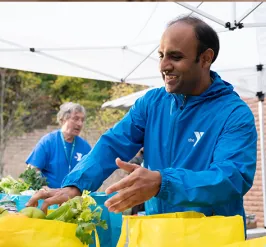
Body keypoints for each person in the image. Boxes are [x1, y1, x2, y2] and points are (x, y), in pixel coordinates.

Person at [27, 15, 257, 232]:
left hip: (213, 238)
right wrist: (75, 185)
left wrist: (163, 182)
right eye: (161, 55)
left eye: (175, 57)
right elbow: (112, 145)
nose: (163, 66)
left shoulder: (234, 113)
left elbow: (232, 178)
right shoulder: (152, 103)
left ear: (206, 58)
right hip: (160, 233)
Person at [25, 102, 91, 188]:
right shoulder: (48, 141)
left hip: (75, 199)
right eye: (76, 119)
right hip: (49, 197)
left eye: (82, 120)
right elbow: (32, 170)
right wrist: (43, 187)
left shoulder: (85, 147)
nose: (80, 124)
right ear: (63, 119)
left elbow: (91, 174)